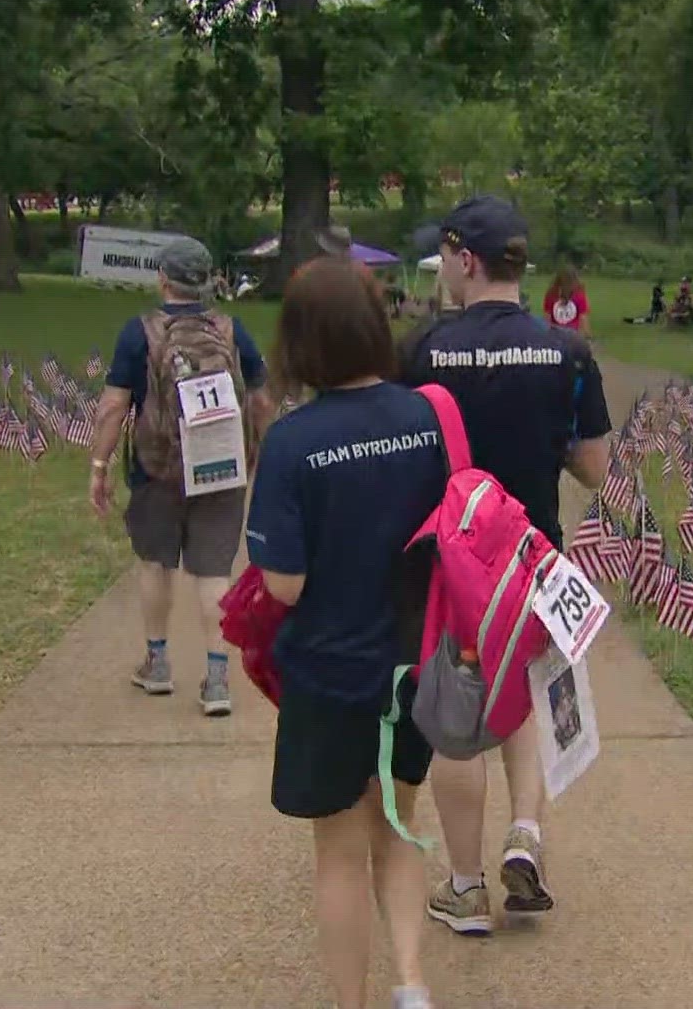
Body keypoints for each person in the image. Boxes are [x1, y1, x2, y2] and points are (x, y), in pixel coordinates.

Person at [402, 194, 612, 936]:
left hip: (455, 563)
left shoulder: (424, 348)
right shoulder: (570, 352)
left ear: (466, 259)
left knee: (459, 715)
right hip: (535, 556)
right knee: (522, 690)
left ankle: (464, 888)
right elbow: (592, 467)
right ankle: (526, 832)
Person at [247, 258, 448, 1009]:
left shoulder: (294, 442)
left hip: (329, 674)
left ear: (299, 341)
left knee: (337, 848)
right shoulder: (429, 417)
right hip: (413, 664)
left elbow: (283, 585)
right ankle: (412, 982)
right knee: (400, 827)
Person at [88, 237, 271, 715]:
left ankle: (158, 662)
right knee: (214, 573)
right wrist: (262, 454)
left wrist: (99, 465)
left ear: (163, 280)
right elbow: (261, 399)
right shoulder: (233, 331)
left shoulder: (140, 332)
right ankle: (216, 679)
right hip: (222, 468)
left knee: (155, 564)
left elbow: (113, 406)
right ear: (207, 281)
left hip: (158, 470)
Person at [542, 268, 589, 335]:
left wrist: (546, 334)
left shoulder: (551, 294)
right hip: (572, 335)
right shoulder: (579, 295)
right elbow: (583, 317)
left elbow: (547, 317)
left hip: (555, 333)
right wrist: (587, 335)